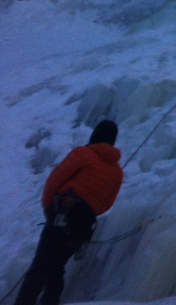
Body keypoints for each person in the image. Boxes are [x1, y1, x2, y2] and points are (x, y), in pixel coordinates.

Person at [15, 120, 123, 305]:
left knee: (41, 265)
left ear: (95, 135)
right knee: (57, 266)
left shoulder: (83, 153)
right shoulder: (117, 172)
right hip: (83, 226)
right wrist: (89, 208)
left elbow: (55, 180)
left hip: (64, 211)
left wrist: (48, 207)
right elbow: (106, 204)